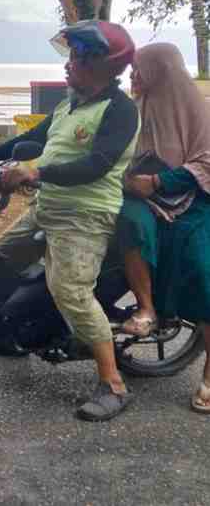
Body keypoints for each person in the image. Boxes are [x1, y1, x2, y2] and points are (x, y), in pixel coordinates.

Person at [0, 20, 138, 422]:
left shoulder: (120, 110)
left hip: (85, 215)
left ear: (105, 65)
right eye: (70, 55)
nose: (69, 64)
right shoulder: (68, 104)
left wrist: (36, 172)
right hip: (48, 206)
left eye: (78, 57)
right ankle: (8, 334)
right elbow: (28, 141)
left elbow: (97, 165)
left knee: (71, 291)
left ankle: (113, 385)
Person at [114, 43, 210, 413]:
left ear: (160, 71)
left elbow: (206, 162)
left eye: (139, 69)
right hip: (142, 198)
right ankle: (146, 308)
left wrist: (159, 182)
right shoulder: (135, 108)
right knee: (128, 223)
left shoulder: (197, 109)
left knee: (201, 269)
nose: (133, 75)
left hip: (192, 200)